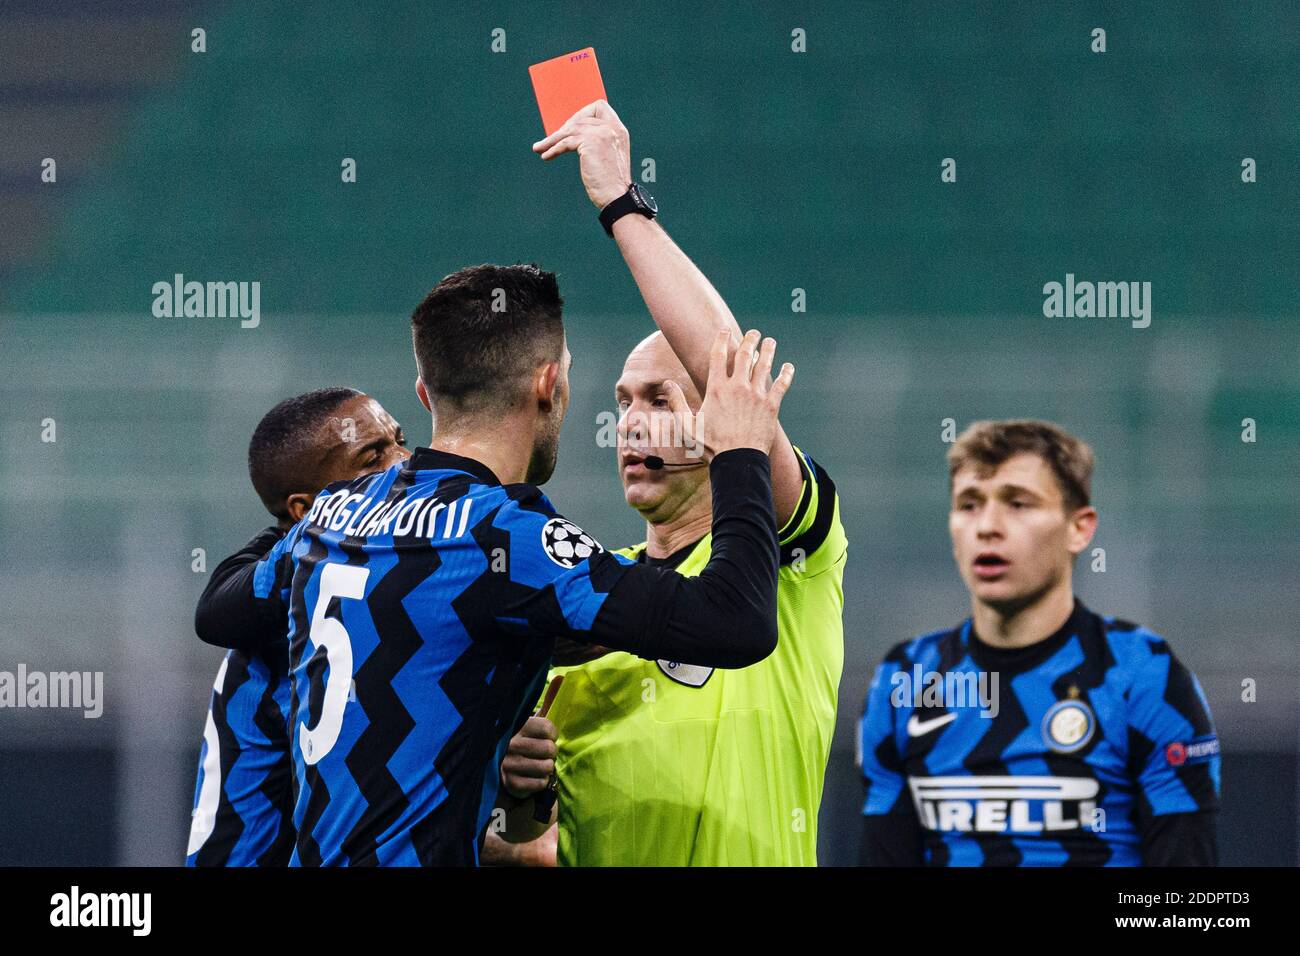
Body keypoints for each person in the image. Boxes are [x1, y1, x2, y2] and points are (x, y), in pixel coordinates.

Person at [194, 262, 796, 865]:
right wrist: (741, 450)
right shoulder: (501, 537)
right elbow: (735, 621)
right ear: (548, 384)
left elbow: (221, 612)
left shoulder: (324, 519)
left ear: (426, 392)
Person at [486, 100, 846, 866]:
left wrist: (622, 204)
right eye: (621, 405)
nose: (633, 424)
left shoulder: (784, 559)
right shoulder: (582, 595)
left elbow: (723, 359)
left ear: (720, 416)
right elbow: (535, 858)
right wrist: (516, 815)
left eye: (659, 399)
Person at [858, 420, 1220, 866]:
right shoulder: (906, 678)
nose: (987, 526)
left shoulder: (1145, 674)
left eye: (1018, 503)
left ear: (1079, 529)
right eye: (969, 505)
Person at [187, 387, 408, 865]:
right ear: (305, 512)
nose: (404, 464)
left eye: (399, 441)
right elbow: (213, 612)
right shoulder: (286, 632)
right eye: (372, 459)